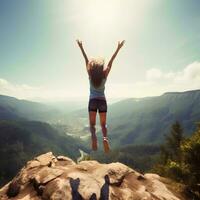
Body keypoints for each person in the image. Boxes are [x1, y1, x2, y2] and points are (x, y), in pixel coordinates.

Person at [76, 40, 125, 153]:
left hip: (92, 101)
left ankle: (93, 137)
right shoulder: (104, 75)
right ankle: (104, 138)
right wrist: (118, 48)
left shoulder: (90, 75)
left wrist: (81, 47)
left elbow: (86, 60)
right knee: (103, 124)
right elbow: (111, 62)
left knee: (92, 124)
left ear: (93, 68)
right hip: (102, 101)